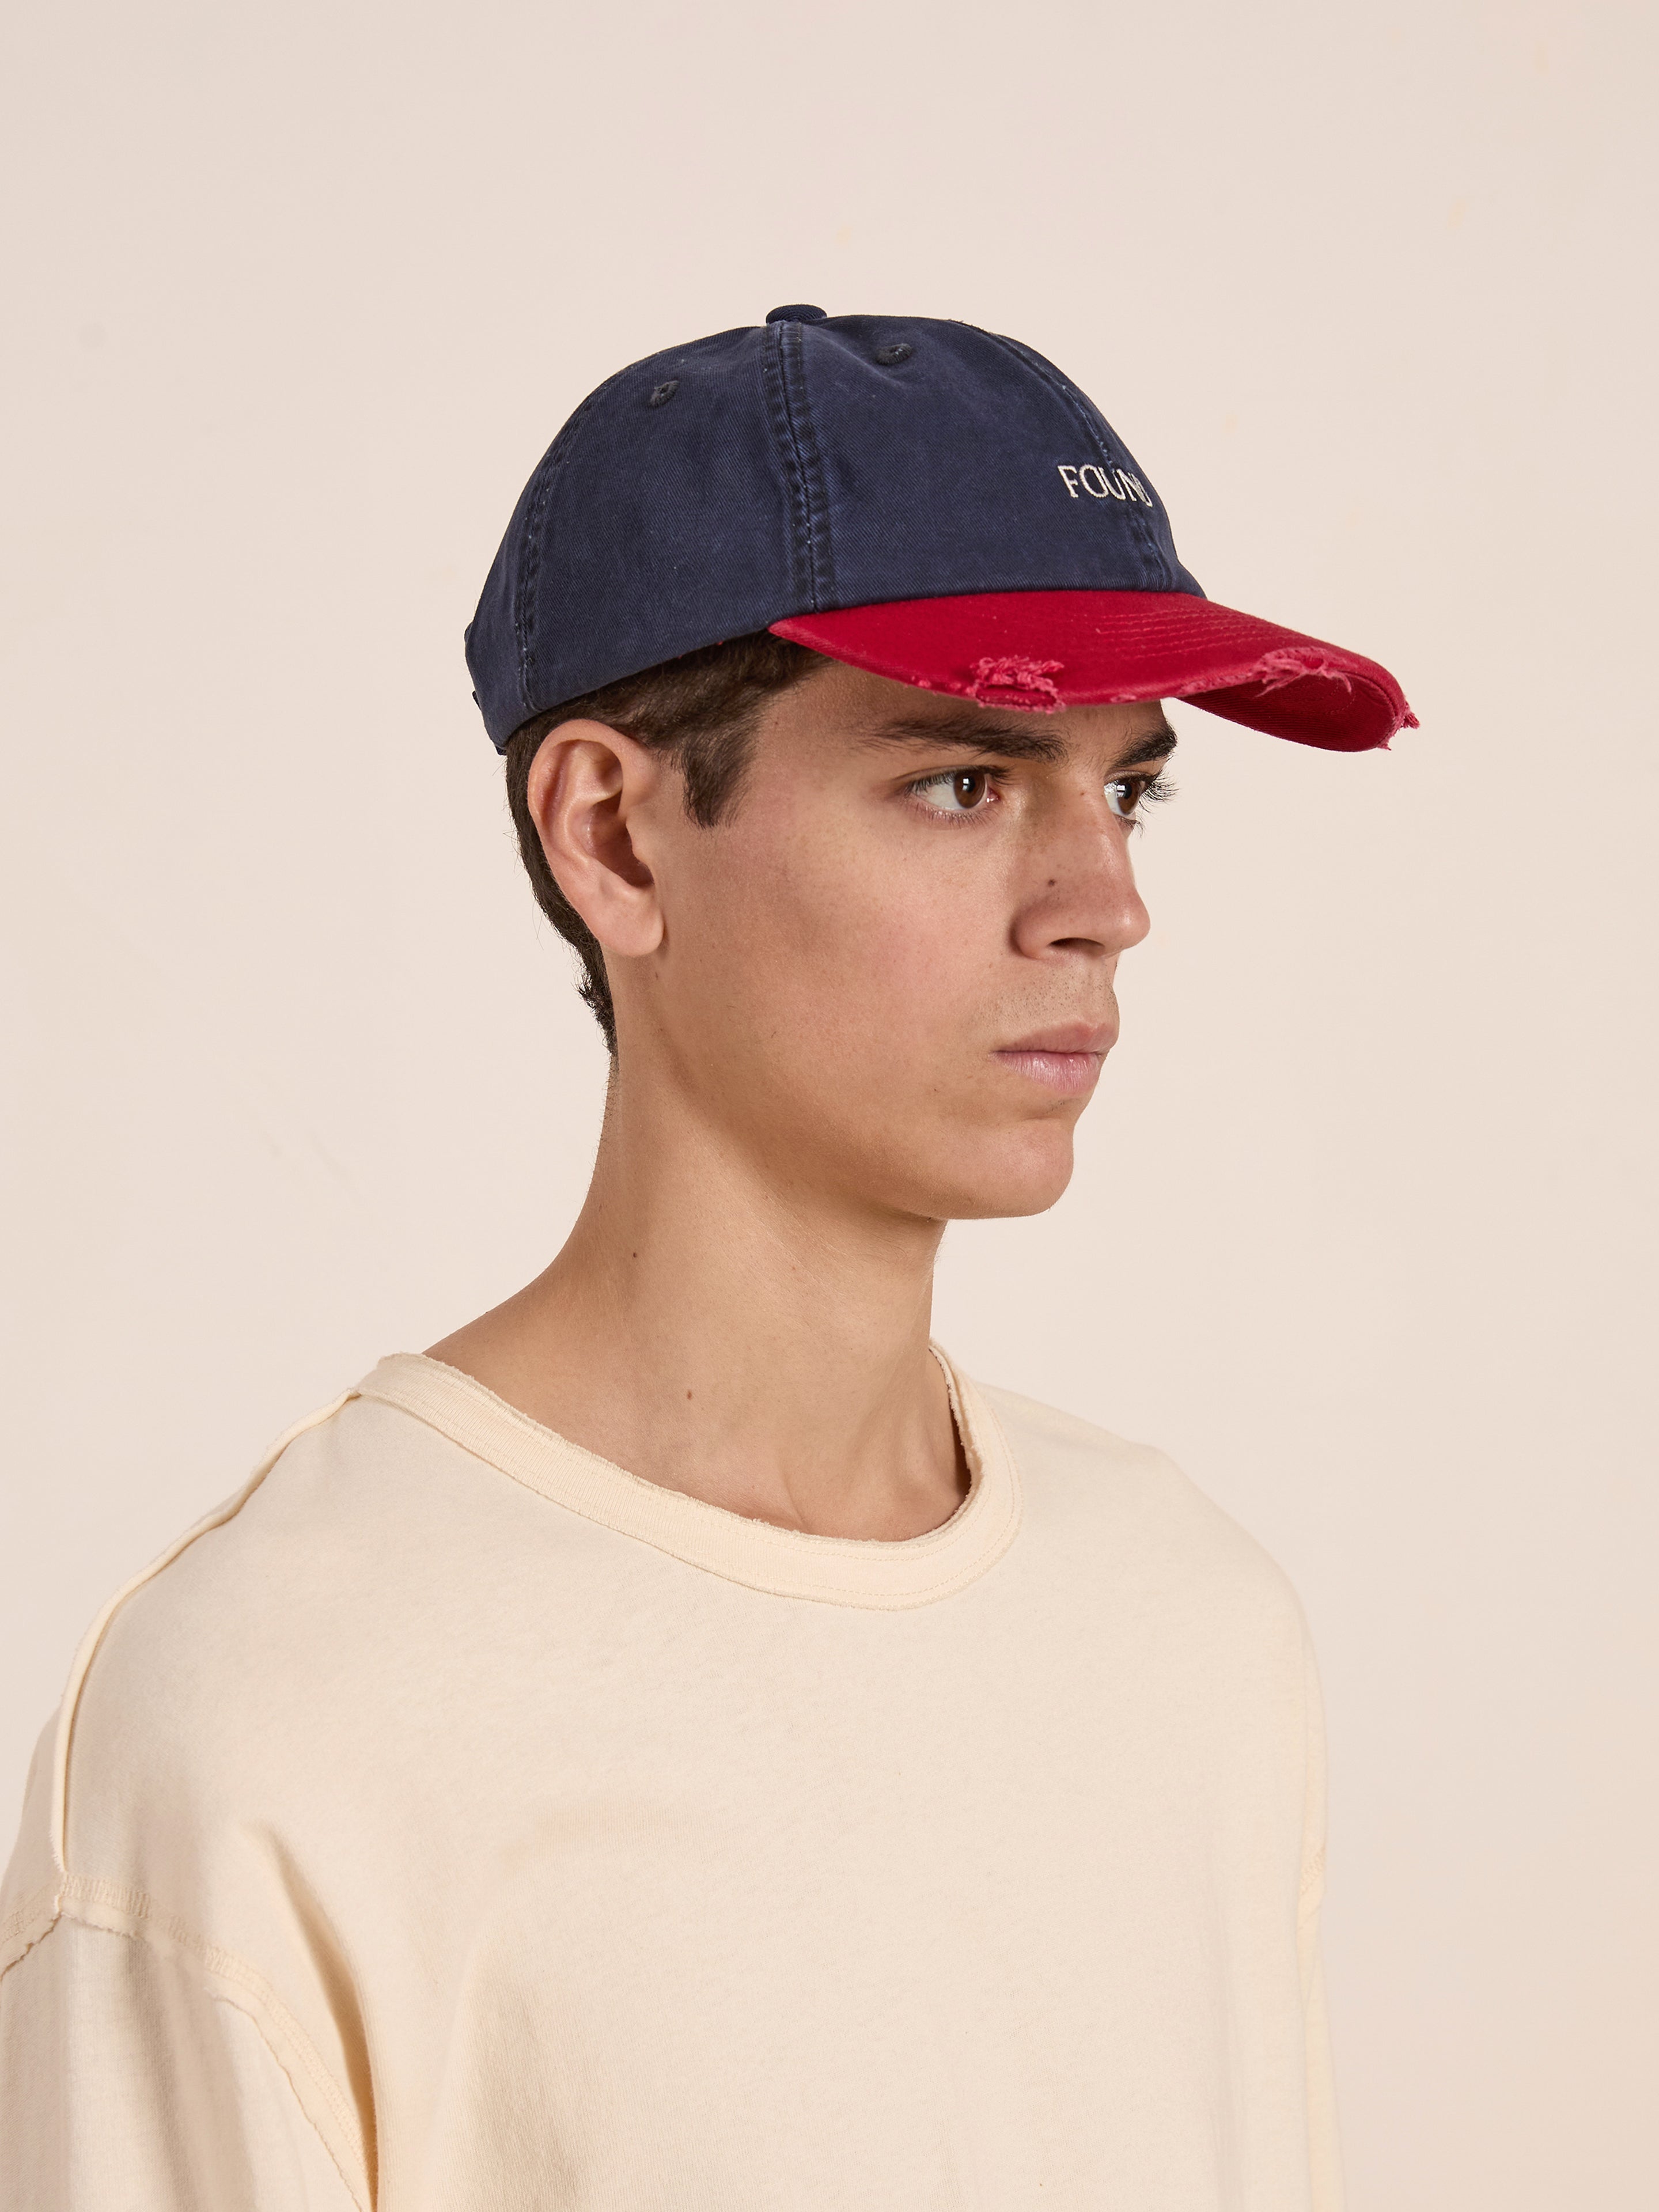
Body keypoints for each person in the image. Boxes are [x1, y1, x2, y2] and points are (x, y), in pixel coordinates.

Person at [0, 304, 1411, 2209]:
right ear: (616, 838)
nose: (1109, 902)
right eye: (965, 783)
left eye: (1129, 784)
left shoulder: (1190, 1621)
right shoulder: (271, 1726)